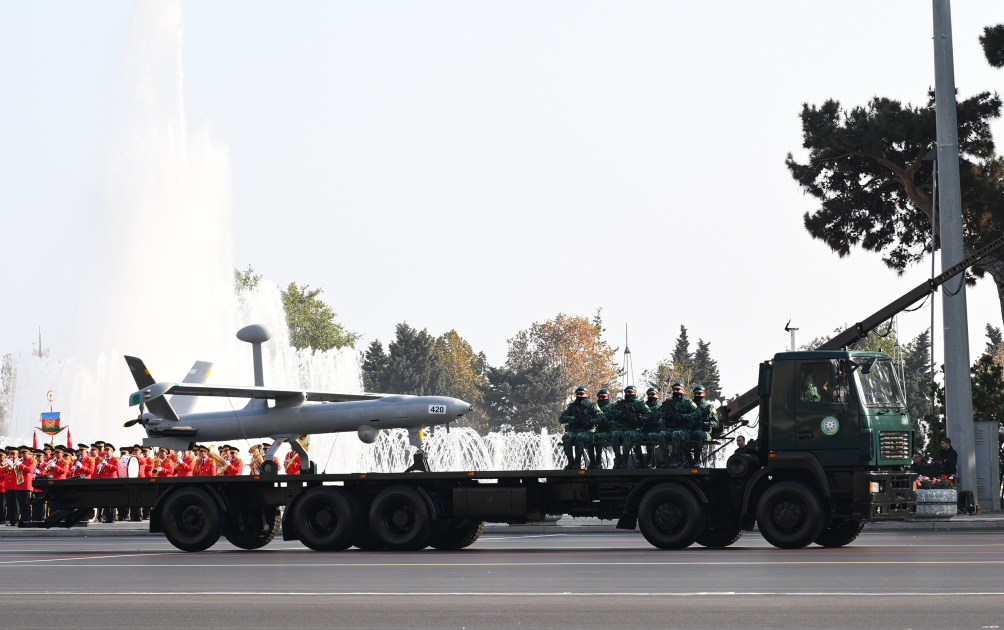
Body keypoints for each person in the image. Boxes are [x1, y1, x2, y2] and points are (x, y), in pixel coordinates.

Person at [606, 386, 650, 469]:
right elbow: (609, 413)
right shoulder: (620, 404)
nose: (628, 394)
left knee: (628, 434)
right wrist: (620, 414)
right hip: (621, 430)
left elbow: (649, 415)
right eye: (627, 392)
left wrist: (638, 418)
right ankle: (618, 459)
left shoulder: (639, 404)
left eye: (630, 392)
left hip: (637, 431)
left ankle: (625, 460)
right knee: (615, 435)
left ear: (635, 393)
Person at [558, 387, 602, 470]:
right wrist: (573, 419)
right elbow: (561, 419)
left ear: (586, 394)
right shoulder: (572, 406)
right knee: (566, 437)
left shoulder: (592, 405)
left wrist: (590, 421)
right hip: (574, 431)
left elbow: (601, 418)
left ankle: (577, 463)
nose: (579, 395)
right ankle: (571, 462)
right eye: (577, 394)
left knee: (580, 437)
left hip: (588, 432)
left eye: (581, 394)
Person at [663, 382, 703, 467]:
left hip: (686, 431)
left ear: (683, 390)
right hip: (673, 429)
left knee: (676, 434)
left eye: (678, 389)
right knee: (662, 435)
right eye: (674, 389)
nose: (676, 391)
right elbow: (660, 414)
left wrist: (682, 416)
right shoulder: (669, 403)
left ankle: (675, 459)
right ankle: (666, 459)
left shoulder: (688, 402)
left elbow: (697, 414)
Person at [640, 387, 669, 468]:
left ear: (657, 395)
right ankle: (646, 460)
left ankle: (663, 459)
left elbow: (665, 418)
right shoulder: (643, 406)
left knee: (652, 436)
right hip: (645, 430)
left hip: (658, 431)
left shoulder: (661, 407)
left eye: (652, 394)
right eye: (649, 394)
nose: (650, 396)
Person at [590, 389, 617, 469]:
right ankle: (593, 462)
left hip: (610, 432)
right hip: (597, 432)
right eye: (599, 397)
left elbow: (616, 420)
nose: (601, 398)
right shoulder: (594, 407)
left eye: (603, 397)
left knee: (598, 437)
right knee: (589, 438)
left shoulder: (613, 407)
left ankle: (598, 461)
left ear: (608, 396)